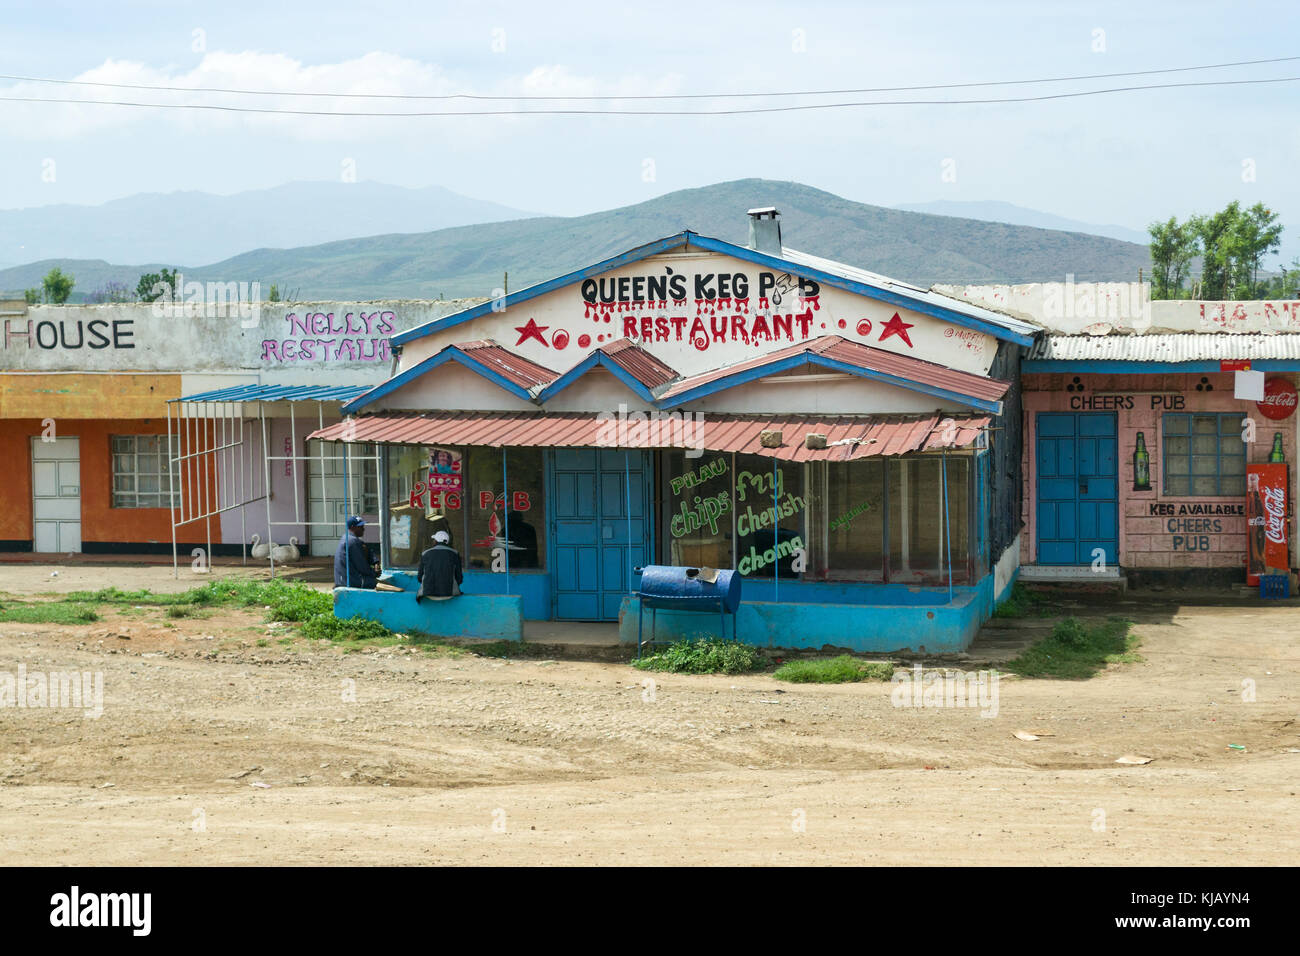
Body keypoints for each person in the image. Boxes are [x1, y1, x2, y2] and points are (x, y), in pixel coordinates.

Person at [416, 530, 463, 602]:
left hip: (428, 594)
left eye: (434, 539)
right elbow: (459, 578)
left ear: (435, 541)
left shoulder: (425, 554)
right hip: (449, 595)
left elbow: (419, 577)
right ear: (447, 542)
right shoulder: (455, 554)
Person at [334, 515, 377, 590]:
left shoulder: (346, 538)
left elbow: (368, 551)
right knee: (376, 583)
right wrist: (374, 573)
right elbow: (362, 566)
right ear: (353, 527)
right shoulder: (353, 541)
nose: (363, 529)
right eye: (360, 527)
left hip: (342, 580)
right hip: (350, 581)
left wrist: (375, 561)